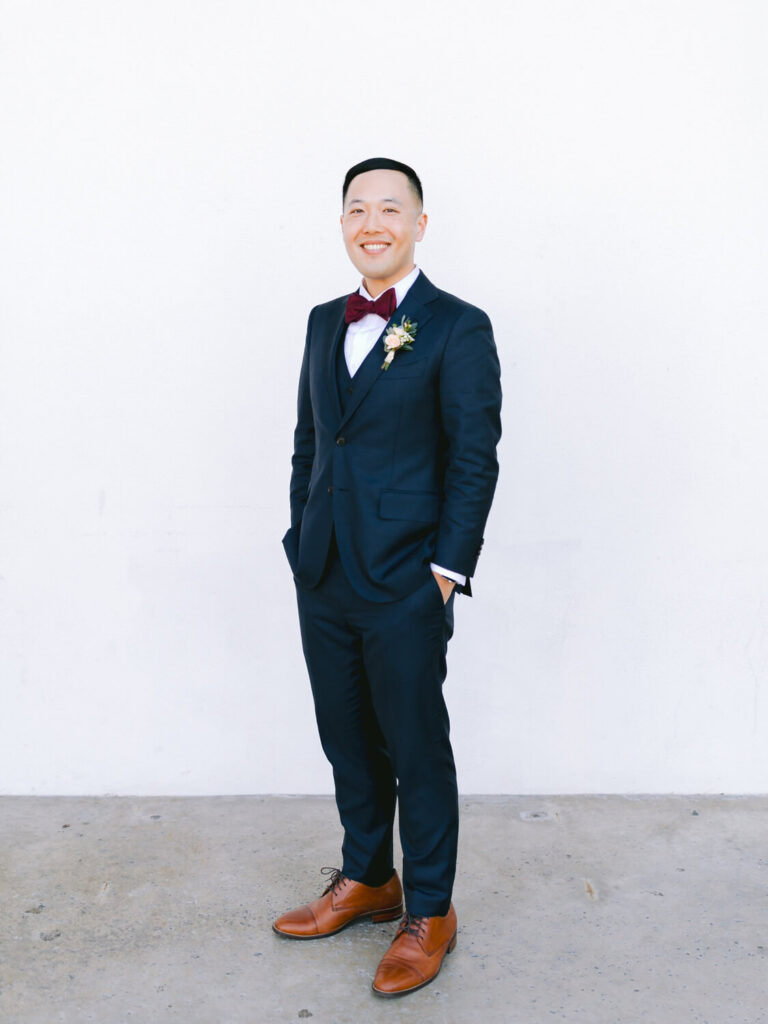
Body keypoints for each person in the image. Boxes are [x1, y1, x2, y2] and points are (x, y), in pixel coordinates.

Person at [274, 156, 502, 997]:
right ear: (343, 223)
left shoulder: (457, 327)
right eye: (357, 209)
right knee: (346, 738)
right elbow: (311, 442)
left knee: (415, 747)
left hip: (408, 579)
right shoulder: (319, 321)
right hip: (325, 573)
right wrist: (301, 542)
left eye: (390, 209)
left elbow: (474, 460)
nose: (373, 223)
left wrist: (443, 574)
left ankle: (430, 910)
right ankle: (369, 877)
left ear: (419, 225)